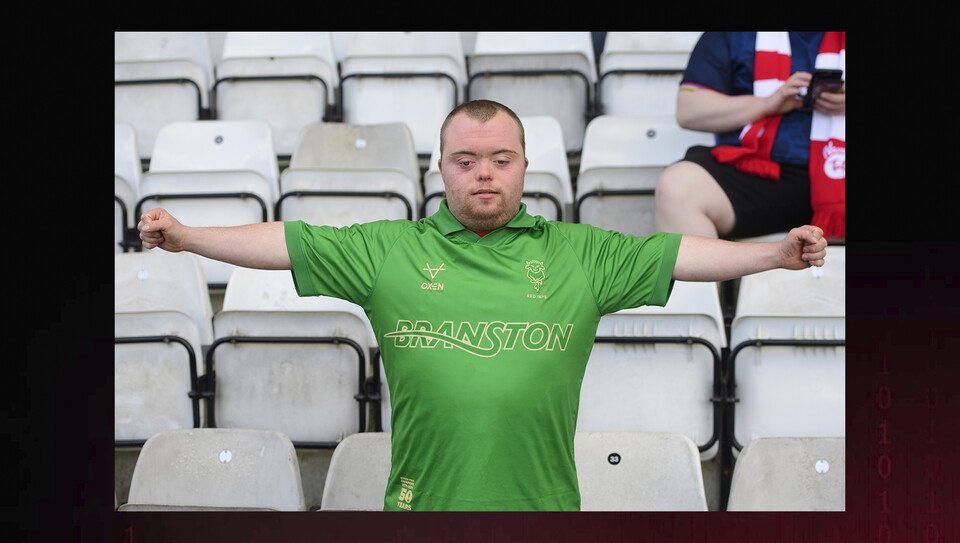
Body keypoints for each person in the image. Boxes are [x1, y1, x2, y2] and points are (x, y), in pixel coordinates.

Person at [138, 99, 828, 511]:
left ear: (525, 166)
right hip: (421, 513)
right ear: (442, 169)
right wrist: (190, 236)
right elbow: (286, 241)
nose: (484, 173)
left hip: (545, 516)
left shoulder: (578, 252)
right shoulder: (390, 249)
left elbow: (679, 255)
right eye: (466, 160)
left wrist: (772, 254)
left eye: (500, 158)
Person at [654, 32, 845, 240]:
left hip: (838, 169)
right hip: (760, 173)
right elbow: (689, 111)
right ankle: (713, 272)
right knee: (678, 187)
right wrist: (767, 104)